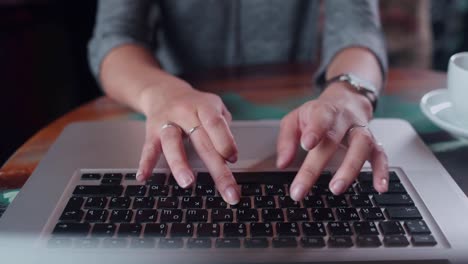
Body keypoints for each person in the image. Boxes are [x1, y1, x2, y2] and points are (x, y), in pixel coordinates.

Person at [88, 0, 389, 205]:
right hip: (174, 113)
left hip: (295, 108)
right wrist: (162, 93)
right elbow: (115, 39)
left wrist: (349, 95)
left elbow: (358, 29)